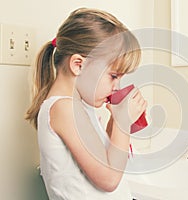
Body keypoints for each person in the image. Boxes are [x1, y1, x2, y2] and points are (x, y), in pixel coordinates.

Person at [25, 8, 147, 200]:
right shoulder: (64, 108)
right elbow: (108, 179)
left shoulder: (78, 106)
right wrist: (123, 123)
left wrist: (115, 123)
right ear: (78, 65)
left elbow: (102, 158)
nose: (117, 86)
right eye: (113, 76)